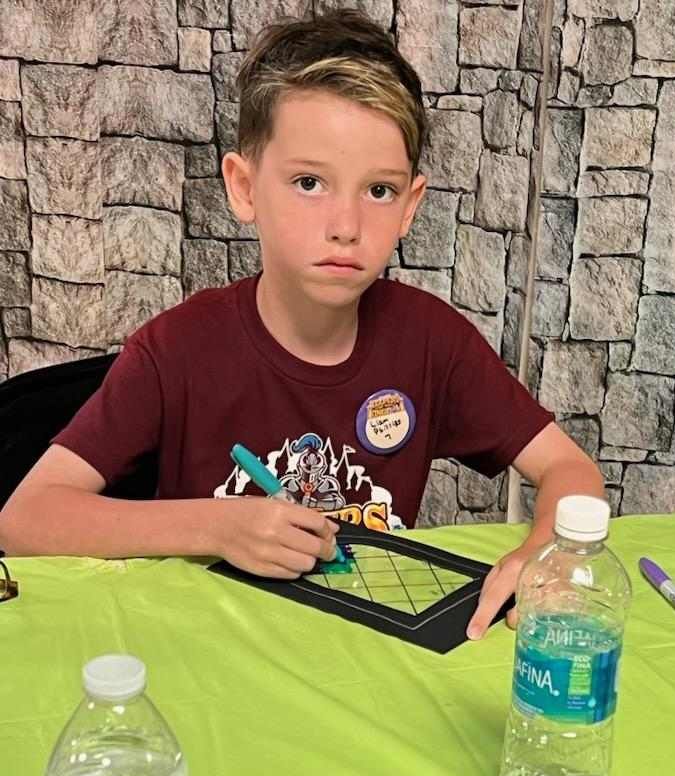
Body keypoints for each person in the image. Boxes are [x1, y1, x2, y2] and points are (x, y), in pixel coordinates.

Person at [0, 8, 604, 639]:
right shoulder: (177, 349)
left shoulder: (433, 342)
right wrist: (215, 525)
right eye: (309, 182)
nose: (345, 224)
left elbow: (571, 471)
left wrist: (541, 555)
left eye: (378, 191)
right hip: (208, 660)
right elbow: (26, 518)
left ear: (410, 207)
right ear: (244, 187)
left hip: (370, 661)